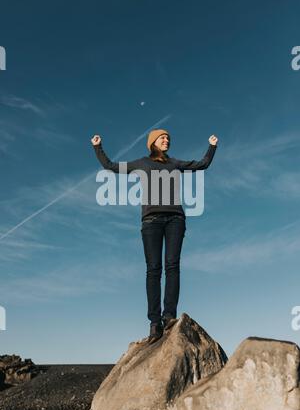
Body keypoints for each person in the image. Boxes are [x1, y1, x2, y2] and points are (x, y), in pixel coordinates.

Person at [91, 129, 218, 344]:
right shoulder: (141, 163)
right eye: (163, 138)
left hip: (175, 220)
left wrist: (212, 146)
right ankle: (154, 322)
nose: (167, 140)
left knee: (172, 266)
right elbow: (111, 167)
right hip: (151, 221)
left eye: (168, 137)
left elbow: (203, 164)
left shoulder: (175, 163)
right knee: (153, 270)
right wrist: (98, 147)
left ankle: (169, 315)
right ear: (153, 143)